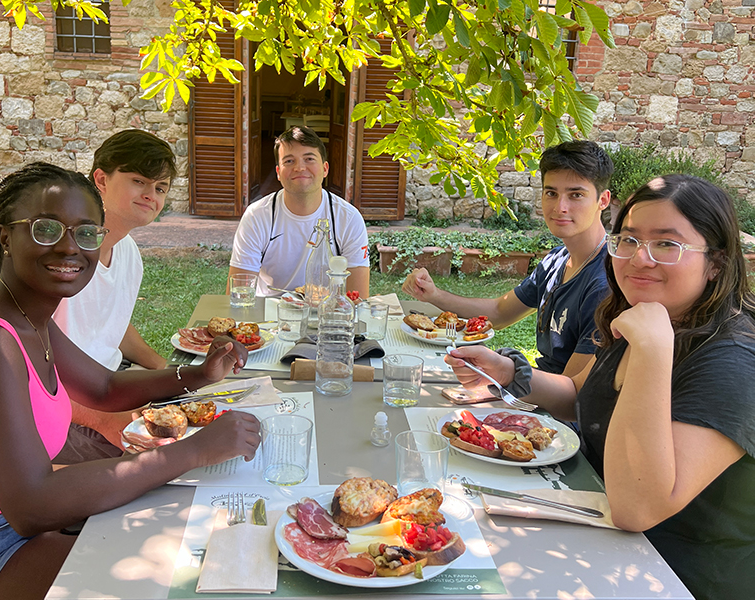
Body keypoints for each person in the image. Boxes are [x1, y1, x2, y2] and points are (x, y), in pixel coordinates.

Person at [0, 163, 260, 600]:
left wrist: (198, 374)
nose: (69, 247)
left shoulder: (25, 313)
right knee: (173, 583)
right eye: (46, 229)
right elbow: (32, 505)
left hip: (8, 524)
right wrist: (195, 451)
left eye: (86, 233)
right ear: (6, 236)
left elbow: (103, 388)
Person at [445, 174, 755, 600]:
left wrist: (651, 351)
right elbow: (580, 396)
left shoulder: (732, 359)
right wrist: (508, 372)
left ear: (716, 262)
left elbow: (638, 509)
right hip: (594, 532)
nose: (640, 258)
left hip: (674, 578)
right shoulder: (646, 316)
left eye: (667, 244)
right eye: (629, 239)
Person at [403, 140, 613, 376]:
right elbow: (500, 311)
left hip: (550, 397)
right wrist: (434, 295)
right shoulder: (557, 260)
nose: (560, 207)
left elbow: (572, 388)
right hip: (534, 388)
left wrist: (504, 371)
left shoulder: (605, 283)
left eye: (576, 195)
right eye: (551, 193)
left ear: (603, 200)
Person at [53, 129, 176, 371]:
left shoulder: (128, 251)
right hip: (67, 387)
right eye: (139, 181)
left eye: (160, 188)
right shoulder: (63, 254)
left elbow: (111, 327)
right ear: (101, 180)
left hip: (112, 375)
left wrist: (167, 370)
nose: (151, 196)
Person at [229, 126, 370, 298]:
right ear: (278, 172)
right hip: (270, 310)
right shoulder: (256, 216)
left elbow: (357, 298)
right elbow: (238, 294)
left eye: (309, 159)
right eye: (289, 161)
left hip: (327, 310)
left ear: (325, 169)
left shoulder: (349, 219)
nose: (300, 167)